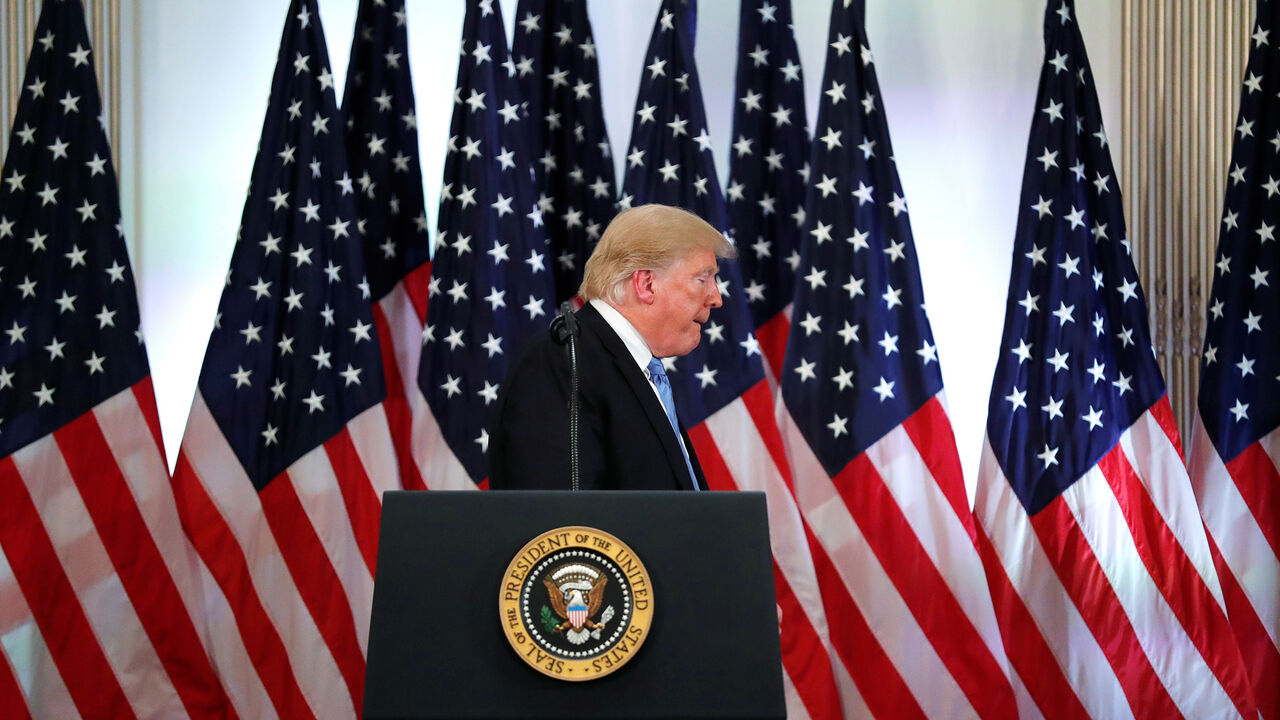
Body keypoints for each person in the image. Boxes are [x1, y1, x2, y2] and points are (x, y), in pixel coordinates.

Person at [489, 204, 734, 490]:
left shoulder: (632, 366)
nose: (716, 298)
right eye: (702, 279)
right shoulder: (564, 363)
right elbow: (557, 513)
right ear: (646, 284)